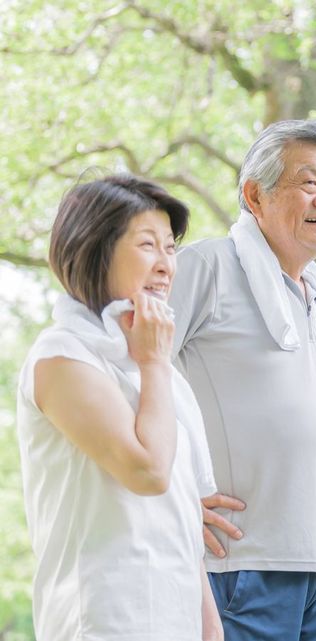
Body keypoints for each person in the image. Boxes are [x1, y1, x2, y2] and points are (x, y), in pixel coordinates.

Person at [168, 119, 316, 640]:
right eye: (310, 183)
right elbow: (125, 373)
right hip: (239, 563)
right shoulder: (205, 267)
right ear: (255, 196)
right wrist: (172, 495)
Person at [16, 175, 222, 640]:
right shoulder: (63, 357)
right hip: (104, 619)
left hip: (173, 619)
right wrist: (154, 361)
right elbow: (148, 473)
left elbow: (182, 513)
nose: (167, 265)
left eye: (171, 248)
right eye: (148, 245)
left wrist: (210, 625)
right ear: (95, 249)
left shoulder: (154, 370)